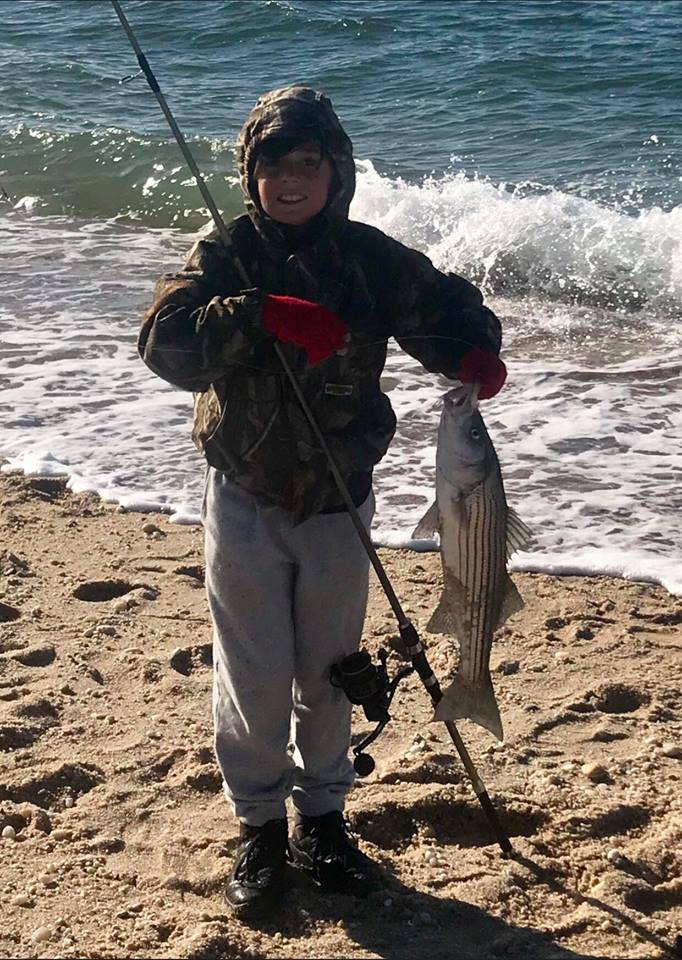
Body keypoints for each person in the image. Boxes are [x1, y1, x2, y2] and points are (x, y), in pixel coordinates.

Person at [139, 86, 506, 920]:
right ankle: (261, 828)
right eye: (275, 164)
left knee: (332, 668)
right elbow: (164, 342)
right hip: (245, 491)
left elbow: (443, 308)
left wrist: (476, 351)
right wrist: (259, 313)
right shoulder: (224, 253)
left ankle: (325, 820)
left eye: (311, 163)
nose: (293, 179)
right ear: (250, 172)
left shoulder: (369, 258)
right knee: (256, 671)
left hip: (343, 498)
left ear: (337, 172)